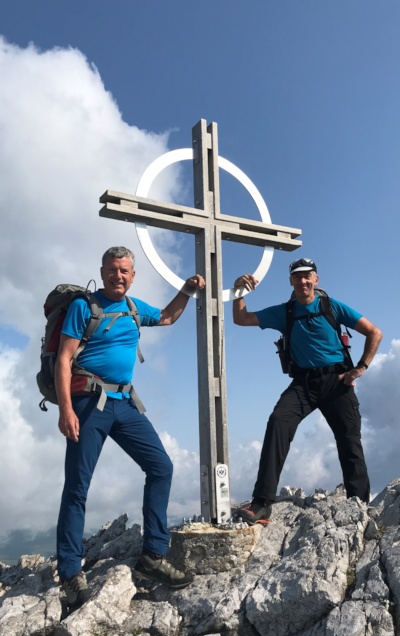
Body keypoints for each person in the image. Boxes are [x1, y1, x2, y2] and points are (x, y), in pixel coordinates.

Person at [55, 246, 205, 606]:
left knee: (161, 467)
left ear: (132, 276)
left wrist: (186, 290)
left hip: (124, 402)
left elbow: (168, 317)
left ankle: (153, 555)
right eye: (112, 270)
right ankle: (71, 573)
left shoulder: (135, 308)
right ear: (102, 271)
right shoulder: (84, 307)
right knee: (77, 485)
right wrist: (66, 410)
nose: (117, 276)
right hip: (89, 401)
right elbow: (63, 358)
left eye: (124, 271)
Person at [232, 257, 382, 526]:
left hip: (337, 382)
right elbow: (241, 318)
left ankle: (359, 505)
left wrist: (359, 368)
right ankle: (262, 503)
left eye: (307, 275)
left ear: (316, 279)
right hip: (303, 384)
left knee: (349, 441)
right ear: (290, 281)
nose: (303, 280)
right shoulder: (285, 312)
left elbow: (374, 333)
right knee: (278, 422)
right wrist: (238, 292)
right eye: (297, 276)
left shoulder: (331, 306)